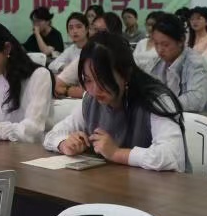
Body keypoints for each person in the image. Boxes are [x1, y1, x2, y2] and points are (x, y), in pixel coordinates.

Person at [42, 33, 187, 172]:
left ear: (125, 74)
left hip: (159, 186)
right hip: (112, 183)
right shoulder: (91, 100)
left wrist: (116, 153)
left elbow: (171, 156)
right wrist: (65, 144)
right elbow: (52, 135)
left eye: (103, 79)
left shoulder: (156, 100)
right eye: (88, 80)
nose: (95, 90)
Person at [144, 14, 207, 113]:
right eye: (156, 44)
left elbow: (194, 102)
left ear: (181, 41)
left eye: (165, 44)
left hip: (199, 119)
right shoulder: (156, 62)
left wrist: (159, 104)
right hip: (169, 117)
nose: (159, 50)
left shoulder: (196, 63)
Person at [52, 13, 90, 98]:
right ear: (68, 32)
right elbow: (52, 65)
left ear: (87, 29)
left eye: (79, 27)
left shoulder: (93, 49)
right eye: (71, 28)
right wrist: (66, 67)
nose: (75, 31)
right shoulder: (71, 49)